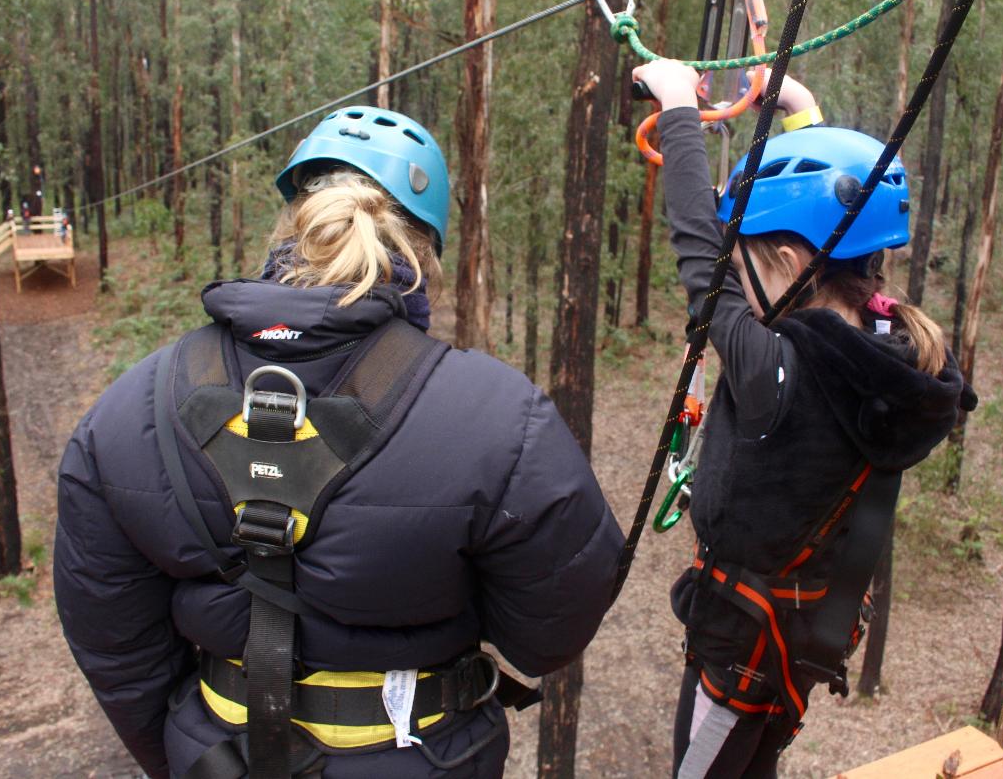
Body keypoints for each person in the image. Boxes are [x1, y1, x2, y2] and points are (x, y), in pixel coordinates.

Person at [54, 106, 624, 779]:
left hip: (212, 757)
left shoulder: (128, 410)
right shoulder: (499, 419)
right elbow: (554, 622)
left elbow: (113, 640)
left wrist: (183, 749)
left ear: (289, 224)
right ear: (425, 254)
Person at [632, 60, 976, 778]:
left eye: (750, 261)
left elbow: (703, 256)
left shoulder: (776, 371)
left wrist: (677, 112)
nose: (740, 280)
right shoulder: (891, 358)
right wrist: (803, 114)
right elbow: (833, 221)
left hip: (741, 651)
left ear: (788, 261)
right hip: (796, 639)